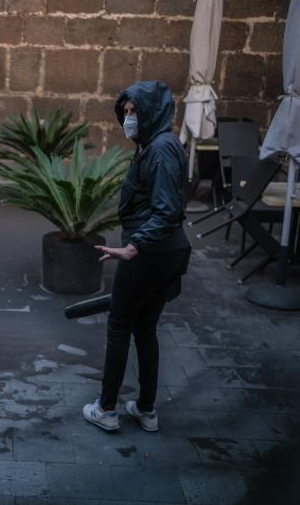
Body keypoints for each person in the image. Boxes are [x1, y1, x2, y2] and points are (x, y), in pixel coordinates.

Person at [82, 81, 191, 434]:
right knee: (145, 327)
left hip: (149, 253)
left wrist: (133, 247)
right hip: (167, 250)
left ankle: (106, 409)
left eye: (135, 111)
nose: (129, 118)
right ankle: (145, 409)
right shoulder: (161, 145)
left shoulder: (159, 151)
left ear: (153, 112)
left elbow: (166, 210)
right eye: (126, 111)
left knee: (119, 326)